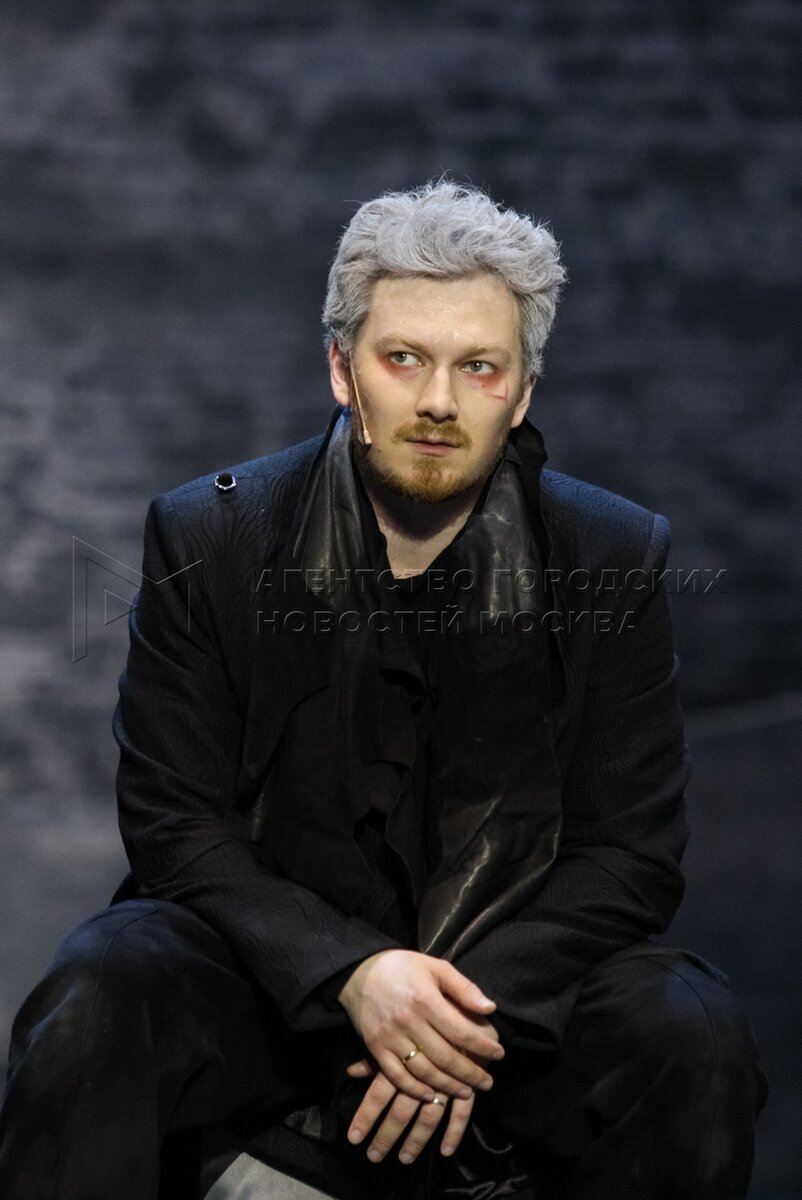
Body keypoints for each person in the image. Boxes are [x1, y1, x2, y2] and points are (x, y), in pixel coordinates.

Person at [0, 182, 766, 1199]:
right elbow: (173, 822)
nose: (439, 401)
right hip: (268, 990)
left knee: (689, 1029)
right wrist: (351, 972)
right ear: (341, 370)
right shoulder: (210, 535)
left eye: (479, 366)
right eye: (403, 358)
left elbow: (629, 856)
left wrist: (449, 1012)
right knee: (101, 990)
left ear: (521, 393)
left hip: (504, 1012)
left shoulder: (610, 555)